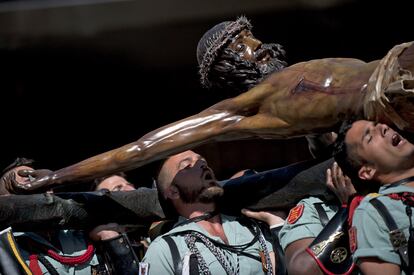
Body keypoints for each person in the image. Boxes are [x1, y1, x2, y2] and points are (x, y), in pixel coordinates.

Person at [11, 16, 414, 193]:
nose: (257, 46)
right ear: (231, 64)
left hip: (397, 69)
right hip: (395, 91)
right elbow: (141, 150)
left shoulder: (294, 88)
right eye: (242, 44)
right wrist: (57, 177)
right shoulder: (245, 108)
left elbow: (324, 136)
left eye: (251, 37)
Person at [142, 150, 276, 274]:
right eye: (187, 166)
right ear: (173, 192)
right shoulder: (164, 249)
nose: (201, 164)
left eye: (202, 161)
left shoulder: (251, 227)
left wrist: (276, 225)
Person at [333, 119, 414, 275]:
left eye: (380, 124)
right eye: (369, 137)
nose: (384, 127)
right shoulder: (374, 212)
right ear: (368, 171)